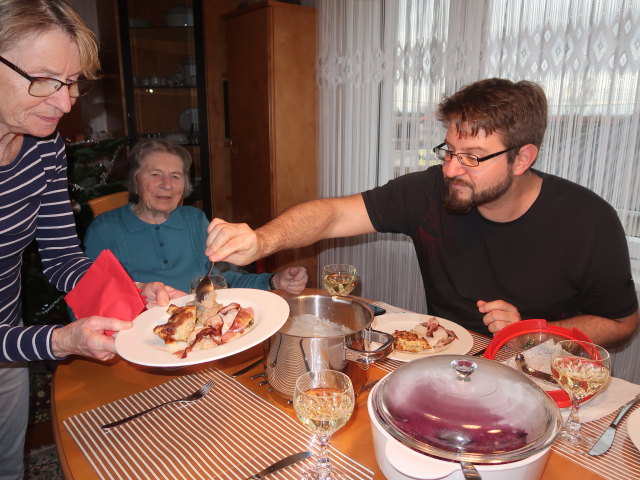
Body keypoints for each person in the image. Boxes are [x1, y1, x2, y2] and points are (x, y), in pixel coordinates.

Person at [204, 78, 639, 348]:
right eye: (449, 151)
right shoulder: (431, 190)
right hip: (444, 356)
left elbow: (622, 322)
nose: (451, 169)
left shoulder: (588, 220)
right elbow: (334, 214)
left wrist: (535, 330)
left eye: (472, 157)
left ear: (522, 158)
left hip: (540, 369)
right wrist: (263, 240)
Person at [0, 1, 180, 478]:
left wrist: (132, 292)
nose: (64, 103)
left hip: (9, 352)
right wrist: (59, 340)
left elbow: (61, 258)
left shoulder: (43, 148)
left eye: (71, 82)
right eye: (42, 80)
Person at [83, 138, 308, 295]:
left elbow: (224, 280)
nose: (167, 185)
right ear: (134, 180)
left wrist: (273, 280)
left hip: (202, 329)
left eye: (175, 176)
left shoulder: (194, 220)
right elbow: (89, 301)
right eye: (155, 174)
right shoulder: (104, 230)